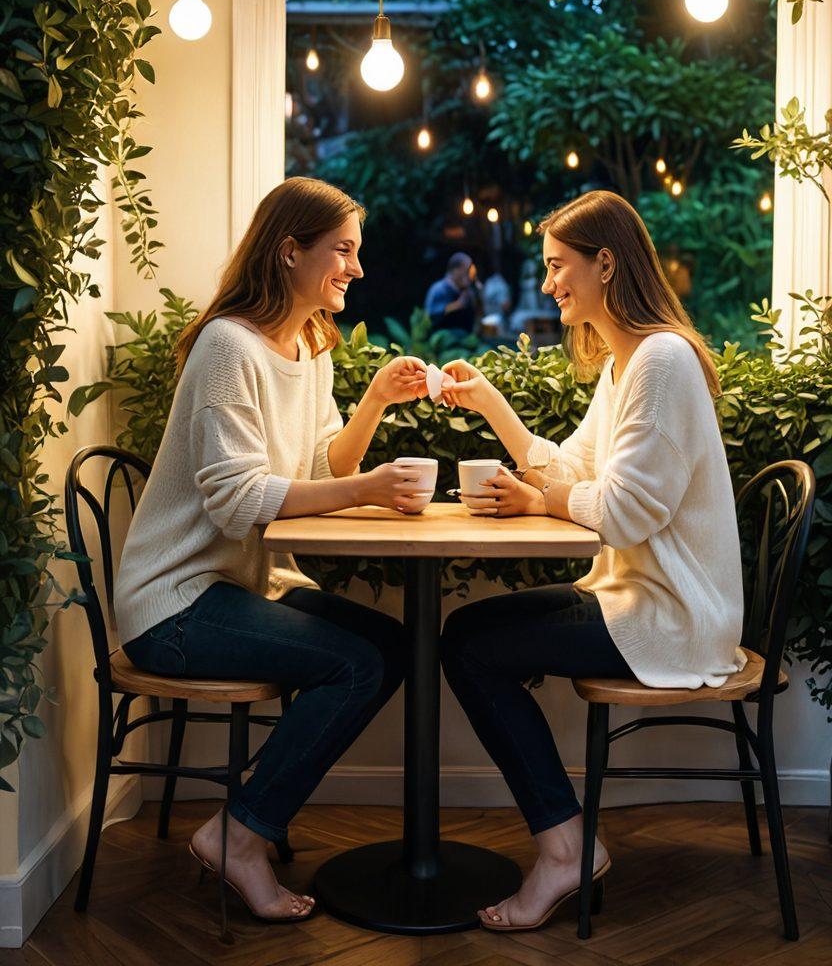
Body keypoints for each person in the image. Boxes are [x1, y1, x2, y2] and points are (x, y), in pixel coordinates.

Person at [114, 177, 430, 923]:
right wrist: (370, 491)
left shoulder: (309, 346)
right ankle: (242, 834)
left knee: (394, 645)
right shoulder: (228, 346)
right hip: (175, 605)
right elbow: (235, 499)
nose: (355, 268)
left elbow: (322, 465)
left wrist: (375, 404)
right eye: (342, 251)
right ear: (290, 251)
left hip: (241, 590)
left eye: (357, 253)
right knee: (355, 664)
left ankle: (250, 817)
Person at [439, 189, 745, 933]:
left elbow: (624, 510)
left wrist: (539, 503)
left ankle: (563, 851)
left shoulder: (661, 361)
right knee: (468, 637)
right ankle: (567, 843)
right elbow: (567, 466)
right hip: (633, 597)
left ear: (605, 263)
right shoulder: (627, 364)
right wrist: (490, 407)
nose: (547, 285)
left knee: (474, 648)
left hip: (673, 615)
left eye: (556, 267)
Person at [424, 251, 479, 334]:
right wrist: (457, 305)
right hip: (441, 342)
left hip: (465, 342)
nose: (470, 276)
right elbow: (430, 317)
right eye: (467, 271)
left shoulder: (467, 292)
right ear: (455, 270)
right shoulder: (439, 289)